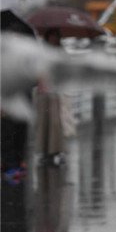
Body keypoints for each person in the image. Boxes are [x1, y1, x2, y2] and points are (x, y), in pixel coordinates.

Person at [34, 28, 66, 167]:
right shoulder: (41, 52)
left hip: (55, 91)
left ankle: (56, 150)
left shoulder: (61, 53)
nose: (54, 39)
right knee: (43, 122)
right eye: (52, 36)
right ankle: (43, 151)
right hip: (42, 90)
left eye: (56, 36)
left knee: (55, 121)